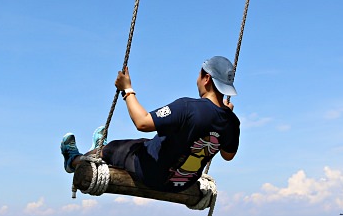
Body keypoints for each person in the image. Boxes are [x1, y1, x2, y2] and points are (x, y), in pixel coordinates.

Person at [61, 56, 241, 192]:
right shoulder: (231, 122)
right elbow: (227, 154)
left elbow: (142, 122)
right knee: (142, 143)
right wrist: (226, 115)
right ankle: (101, 151)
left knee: (113, 148)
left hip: (150, 173)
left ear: (207, 78)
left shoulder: (188, 107)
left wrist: (127, 89)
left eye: (199, 75)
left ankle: (73, 160)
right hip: (181, 184)